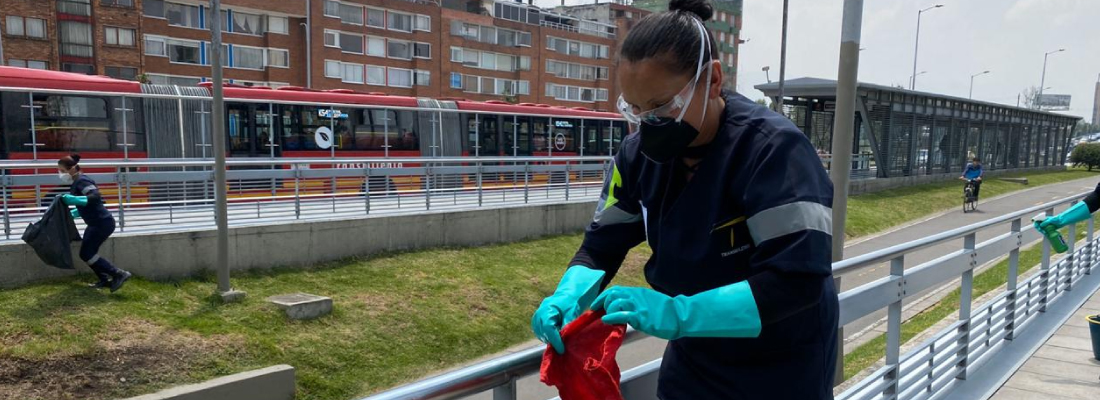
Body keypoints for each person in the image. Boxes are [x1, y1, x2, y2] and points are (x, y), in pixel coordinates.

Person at [529, 0, 838, 398]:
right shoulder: (637, 157)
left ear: (712, 80)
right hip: (696, 359)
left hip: (781, 367)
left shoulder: (773, 151)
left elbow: (796, 282)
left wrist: (677, 313)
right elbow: (601, 247)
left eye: (662, 107)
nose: (647, 124)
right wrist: (566, 296)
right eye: (634, 109)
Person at [58, 154, 132, 292]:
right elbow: (91, 204)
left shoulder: (82, 181)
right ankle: (104, 279)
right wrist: (77, 211)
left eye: (62, 171)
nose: (60, 174)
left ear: (71, 169)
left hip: (102, 223)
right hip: (96, 223)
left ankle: (119, 274)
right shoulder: (77, 182)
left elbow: (95, 197)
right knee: (86, 253)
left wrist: (76, 200)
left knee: (87, 253)